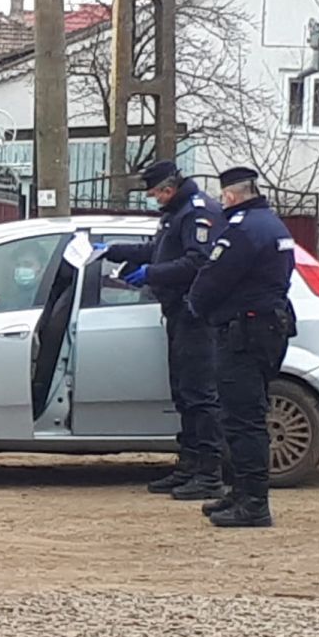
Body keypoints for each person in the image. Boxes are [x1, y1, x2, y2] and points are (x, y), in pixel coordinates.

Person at [99, 160, 227, 500]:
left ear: (169, 188)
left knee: (200, 396)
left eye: (156, 193)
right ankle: (189, 466)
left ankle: (209, 474)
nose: (155, 199)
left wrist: (151, 274)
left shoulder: (198, 213)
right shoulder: (176, 212)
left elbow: (197, 262)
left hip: (196, 315)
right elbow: (157, 251)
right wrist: (113, 250)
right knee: (184, 393)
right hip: (178, 313)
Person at [187, 166, 296, 528]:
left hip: (244, 334)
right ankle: (241, 492)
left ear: (231, 195)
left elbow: (212, 279)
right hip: (266, 329)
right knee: (246, 414)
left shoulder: (243, 230)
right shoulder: (272, 224)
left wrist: (197, 307)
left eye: (223, 197)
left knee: (243, 419)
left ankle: (253, 503)